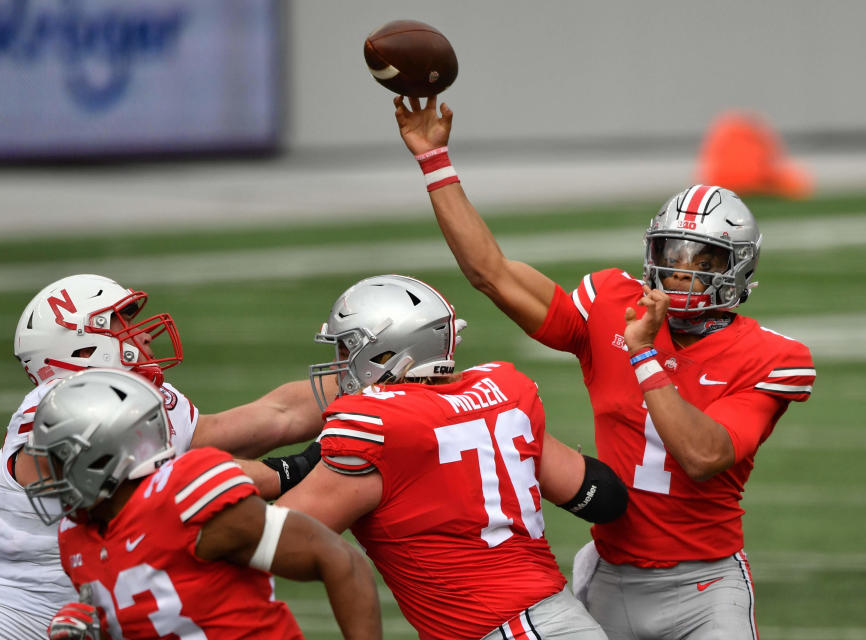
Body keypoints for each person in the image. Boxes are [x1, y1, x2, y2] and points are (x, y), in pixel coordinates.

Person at [391, 96, 817, 640]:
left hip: (705, 591)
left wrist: (643, 354)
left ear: (735, 271)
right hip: (610, 578)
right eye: (670, 252)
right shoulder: (610, 301)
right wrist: (435, 161)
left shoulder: (771, 357)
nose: (678, 272)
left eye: (701, 261)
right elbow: (492, 274)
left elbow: (704, 455)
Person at [278, 274, 628, 640]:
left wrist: (251, 476)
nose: (341, 363)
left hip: (514, 631)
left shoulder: (379, 426)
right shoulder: (500, 392)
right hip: (549, 620)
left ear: (387, 353)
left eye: (349, 349)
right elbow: (604, 498)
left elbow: (273, 536)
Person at [3, 274, 332, 638]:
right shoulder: (58, 409)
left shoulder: (126, 395)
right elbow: (171, 484)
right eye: (122, 322)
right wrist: (295, 468)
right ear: (83, 349)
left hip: (102, 609)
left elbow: (275, 417)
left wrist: (373, 376)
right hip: (23, 617)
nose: (141, 334)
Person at [23, 367, 381, 640]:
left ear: (102, 456)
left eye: (56, 457)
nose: (42, 472)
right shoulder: (75, 536)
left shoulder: (184, 496)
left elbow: (341, 561)